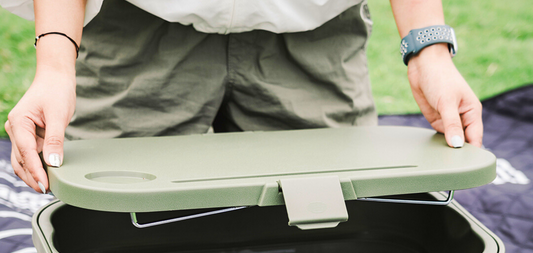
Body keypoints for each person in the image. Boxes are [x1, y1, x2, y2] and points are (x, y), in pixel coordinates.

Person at [3, 0, 483, 196]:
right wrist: (55, 65)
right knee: (109, 230)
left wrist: (428, 49)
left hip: (310, 23)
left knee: (336, 231)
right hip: (140, 23)